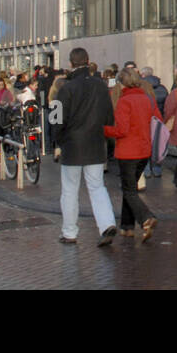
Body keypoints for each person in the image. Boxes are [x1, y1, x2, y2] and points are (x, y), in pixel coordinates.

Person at [52, 47, 117, 247]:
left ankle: (70, 232)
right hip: (95, 144)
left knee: (70, 190)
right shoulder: (100, 86)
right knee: (97, 187)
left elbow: (56, 120)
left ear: (71, 64)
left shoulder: (66, 88)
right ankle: (106, 224)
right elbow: (109, 116)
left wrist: (59, 141)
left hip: (72, 145)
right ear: (88, 61)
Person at [103, 67, 159, 241]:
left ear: (121, 83)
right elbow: (157, 120)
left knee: (128, 190)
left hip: (128, 151)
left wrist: (103, 130)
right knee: (131, 186)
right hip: (144, 150)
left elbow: (121, 130)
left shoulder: (124, 101)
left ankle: (146, 217)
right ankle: (127, 227)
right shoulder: (147, 99)